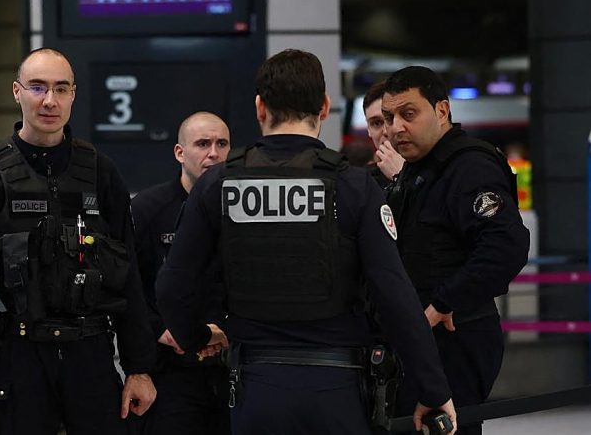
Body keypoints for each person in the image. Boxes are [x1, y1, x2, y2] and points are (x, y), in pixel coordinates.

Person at [156, 49, 456, 434]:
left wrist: (197, 337)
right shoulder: (353, 186)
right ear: (325, 106)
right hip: (338, 385)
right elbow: (395, 295)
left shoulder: (219, 183)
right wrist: (432, 387)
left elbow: (172, 287)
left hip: (255, 385)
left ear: (260, 107)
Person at [0, 47, 157, 435]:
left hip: (90, 355)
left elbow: (129, 278)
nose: (49, 101)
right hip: (16, 360)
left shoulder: (101, 173)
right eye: (38, 88)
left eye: (60, 89)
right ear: (17, 92)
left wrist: (139, 367)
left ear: (74, 94)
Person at [381, 66, 530, 435]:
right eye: (389, 117)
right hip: (423, 339)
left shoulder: (469, 166)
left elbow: (506, 247)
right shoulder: (419, 170)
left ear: (442, 111)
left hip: (455, 339)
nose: (395, 127)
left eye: (408, 113)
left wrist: (444, 302)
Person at [131, 111, 232, 435]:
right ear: (180, 152)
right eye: (203, 144)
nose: (213, 153)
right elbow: (124, 285)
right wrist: (159, 327)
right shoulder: (148, 209)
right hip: (169, 370)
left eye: (221, 144)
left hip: (229, 367)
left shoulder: (244, 209)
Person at [363, 80, 405, 187]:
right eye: (376, 123)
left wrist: (400, 176)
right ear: (368, 129)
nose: (386, 131)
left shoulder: (438, 174)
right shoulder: (359, 182)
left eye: (391, 119)